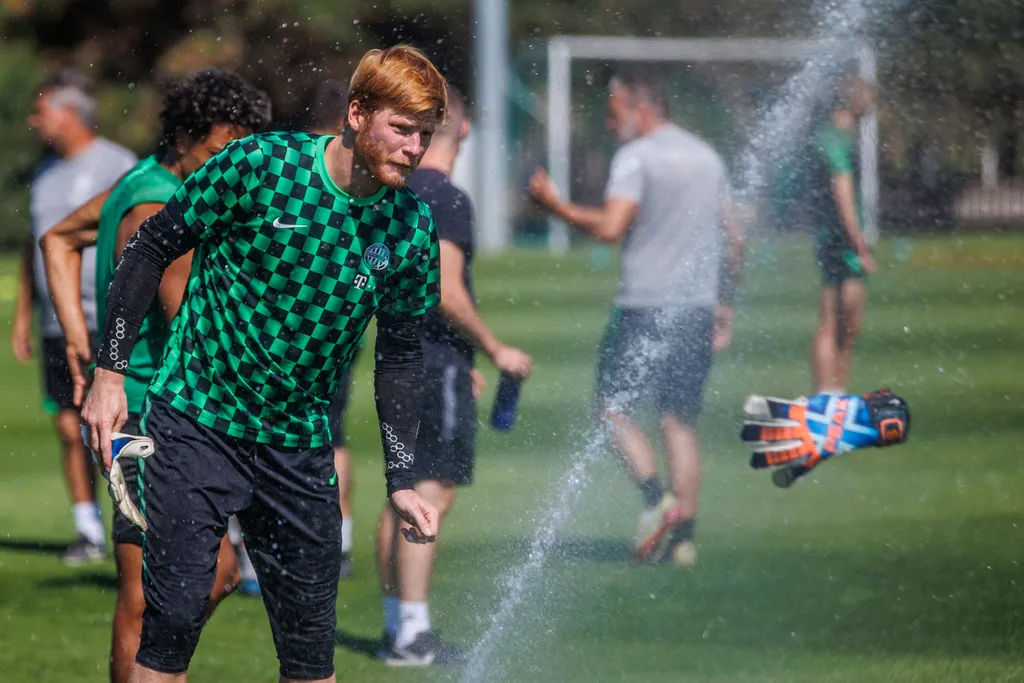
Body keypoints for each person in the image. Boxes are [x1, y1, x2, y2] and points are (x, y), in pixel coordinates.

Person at [81, 45, 445, 683]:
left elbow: (401, 357)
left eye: (426, 135)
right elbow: (149, 246)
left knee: (310, 659)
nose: (415, 149)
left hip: (299, 450)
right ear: (357, 114)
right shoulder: (260, 165)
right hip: (197, 423)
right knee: (169, 632)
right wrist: (110, 375)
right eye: (403, 128)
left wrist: (403, 478)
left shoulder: (410, 228)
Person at [40, 68, 272, 683]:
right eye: (223, 150)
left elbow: (57, 240)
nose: (233, 165)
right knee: (151, 595)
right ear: (189, 135)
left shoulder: (135, 179)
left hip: (139, 410)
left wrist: (77, 340)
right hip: (144, 415)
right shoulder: (158, 202)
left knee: (192, 579)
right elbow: (190, 322)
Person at [528, 68, 745, 568]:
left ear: (642, 109)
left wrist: (556, 206)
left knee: (611, 409)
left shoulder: (636, 156)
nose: (611, 124)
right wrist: (725, 303)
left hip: (645, 305)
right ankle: (684, 540)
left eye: (615, 112)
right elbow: (735, 238)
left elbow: (609, 227)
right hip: (696, 308)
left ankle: (657, 502)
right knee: (680, 421)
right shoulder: (706, 156)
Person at [375, 85, 532, 666]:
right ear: (461, 130)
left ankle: (397, 627)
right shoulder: (446, 196)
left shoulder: (400, 190)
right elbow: (445, 287)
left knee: (403, 493)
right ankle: (413, 634)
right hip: (432, 365)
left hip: (403, 359)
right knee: (430, 494)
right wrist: (492, 347)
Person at [12, 68, 137, 566]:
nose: (33, 121)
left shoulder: (117, 165)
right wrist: (24, 312)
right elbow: (35, 246)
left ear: (66, 114)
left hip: (106, 318)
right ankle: (87, 529)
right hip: (54, 323)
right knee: (67, 426)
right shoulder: (44, 174)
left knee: (112, 425)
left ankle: (131, 516)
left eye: (40, 112)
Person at [307, 79, 360, 581]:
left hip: (316, 340)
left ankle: (331, 543)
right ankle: (339, 543)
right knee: (333, 436)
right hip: (340, 338)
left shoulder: (313, 181)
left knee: (326, 438)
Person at [808, 75, 877, 395]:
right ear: (851, 97)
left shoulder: (837, 136)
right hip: (840, 239)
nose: (872, 100)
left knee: (847, 322)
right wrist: (857, 239)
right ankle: (827, 392)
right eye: (868, 94)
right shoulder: (834, 139)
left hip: (834, 237)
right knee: (838, 319)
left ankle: (837, 392)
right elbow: (842, 187)